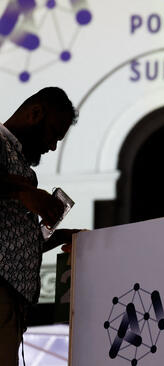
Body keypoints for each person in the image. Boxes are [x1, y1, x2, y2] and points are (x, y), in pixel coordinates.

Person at [0, 87, 79, 365]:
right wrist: (23, 191)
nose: (53, 146)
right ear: (35, 113)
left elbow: (14, 242)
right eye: (53, 133)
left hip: (13, 306)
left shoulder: (19, 162)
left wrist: (61, 237)